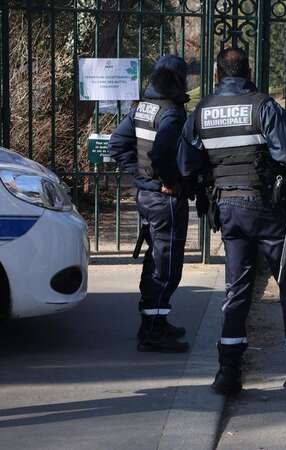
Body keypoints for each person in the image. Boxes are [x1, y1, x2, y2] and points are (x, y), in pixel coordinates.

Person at [177, 47, 286, 399]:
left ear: (217, 74)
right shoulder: (262, 106)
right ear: (248, 70)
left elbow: (186, 164)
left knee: (237, 288)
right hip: (266, 207)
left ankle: (228, 371)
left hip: (227, 209)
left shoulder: (201, 111)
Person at [109, 55, 191, 352]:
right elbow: (161, 154)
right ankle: (152, 332)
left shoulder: (141, 107)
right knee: (166, 265)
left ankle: (157, 320)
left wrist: (140, 176)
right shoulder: (170, 112)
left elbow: (117, 145)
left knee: (156, 259)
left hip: (147, 195)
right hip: (164, 197)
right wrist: (166, 180)